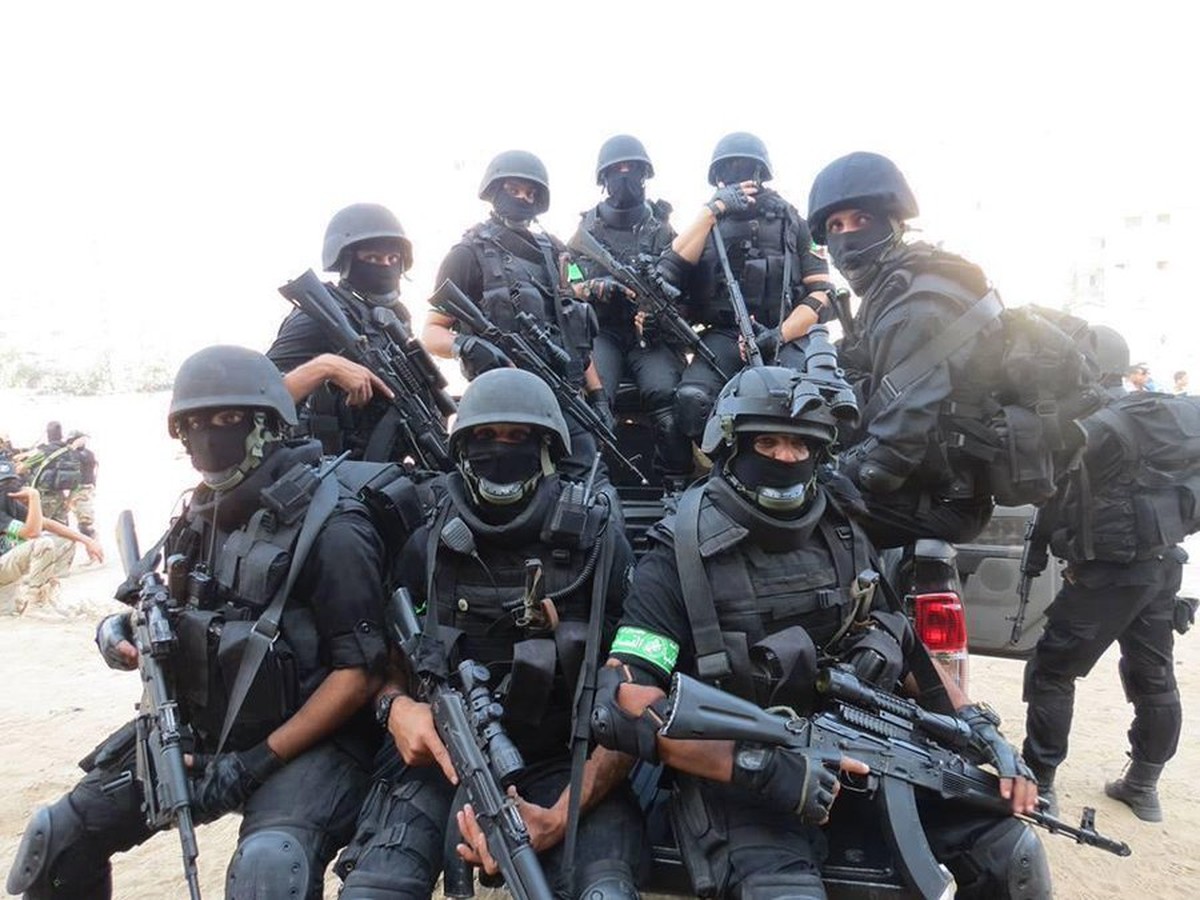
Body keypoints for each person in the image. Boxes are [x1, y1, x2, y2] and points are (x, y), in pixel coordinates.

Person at [590, 366, 1049, 899]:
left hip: (870, 749)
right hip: (742, 780)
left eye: (801, 444)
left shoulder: (843, 528)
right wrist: (766, 767)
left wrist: (977, 728)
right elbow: (626, 702)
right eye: (767, 442)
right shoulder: (680, 551)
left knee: (1012, 857)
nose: (786, 457)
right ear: (732, 445)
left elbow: (905, 645)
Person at [7, 345, 395, 899]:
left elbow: (359, 674)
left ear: (268, 424)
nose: (209, 436)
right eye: (193, 425)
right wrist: (118, 632)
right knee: (60, 840)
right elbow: (166, 603)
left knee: (268, 871)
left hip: (309, 738)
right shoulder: (200, 511)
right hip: (201, 726)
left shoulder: (331, 524)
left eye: (229, 419)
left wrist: (252, 765)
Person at [338, 368, 642, 900]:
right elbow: (386, 658)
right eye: (485, 436)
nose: (501, 449)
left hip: (566, 759)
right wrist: (396, 708)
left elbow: (636, 694)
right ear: (462, 449)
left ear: (547, 449)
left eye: (518, 437)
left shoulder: (596, 541)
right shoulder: (428, 536)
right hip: (443, 759)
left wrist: (561, 815)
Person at [1021, 326, 1183, 822]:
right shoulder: (1153, 415)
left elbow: (1051, 492)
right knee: (1154, 677)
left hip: (1108, 574)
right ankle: (1143, 786)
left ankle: (1039, 784)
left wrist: (1040, 549)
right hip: (1162, 566)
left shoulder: (1092, 423)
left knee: (1052, 670)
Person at [807, 151, 1009, 547]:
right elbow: (857, 368)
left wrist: (821, 476)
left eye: (861, 220)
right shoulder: (894, 290)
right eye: (835, 226)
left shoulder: (919, 306)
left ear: (894, 223)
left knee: (784, 516)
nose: (848, 236)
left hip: (939, 499)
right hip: (925, 483)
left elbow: (888, 457)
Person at [423, 150, 616, 489]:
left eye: (530, 193)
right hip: (500, 404)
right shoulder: (467, 253)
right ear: (494, 190)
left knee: (592, 489)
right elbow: (431, 333)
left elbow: (574, 334)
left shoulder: (556, 252)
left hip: (562, 396)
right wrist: (468, 346)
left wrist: (598, 395)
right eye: (514, 190)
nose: (523, 199)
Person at [658, 132, 834, 446]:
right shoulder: (706, 223)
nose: (737, 174)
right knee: (692, 401)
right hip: (723, 335)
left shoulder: (793, 222)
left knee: (804, 402)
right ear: (717, 177)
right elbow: (669, 270)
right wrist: (711, 212)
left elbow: (821, 294)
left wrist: (779, 335)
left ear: (760, 172)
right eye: (728, 168)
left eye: (745, 166)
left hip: (784, 333)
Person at [569, 135, 691, 488]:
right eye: (617, 171)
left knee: (667, 397)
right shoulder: (585, 231)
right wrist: (592, 288)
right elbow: (565, 286)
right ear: (603, 179)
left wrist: (658, 319)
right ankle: (591, 485)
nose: (625, 177)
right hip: (601, 331)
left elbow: (685, 289)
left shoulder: (663, 231)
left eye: (632, 170)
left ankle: (676, 485)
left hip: (649, 338)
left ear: (644, 175)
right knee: (594, 400)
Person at [268, 202, 429, 461]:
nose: (385, 265)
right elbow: (261, 396)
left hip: (386, 469)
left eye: (392, 258)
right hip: (330, 470)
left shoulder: (395, 318)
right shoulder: (320, 315)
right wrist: (325, 367)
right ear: (346, 260)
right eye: (372, 258)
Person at [0, 458, 103, 616]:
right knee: (42, 544)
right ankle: (35, 604)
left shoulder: (9, 503)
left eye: (11, 484)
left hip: (6, 571)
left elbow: (47, 524)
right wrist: (34, 497)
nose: (7, 489)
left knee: (65, 540)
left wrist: (87, 541)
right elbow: (32, 532)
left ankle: (43, 590)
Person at [20, 421, 81, 526]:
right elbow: (77, 479)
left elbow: (21, 469)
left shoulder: (44, 452)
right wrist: (69, 500)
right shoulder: (71, 453)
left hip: (43, 499)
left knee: (34, 527)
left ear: (48, 435)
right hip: (61, 499)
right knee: (60, 530)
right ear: (61, 435)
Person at [64, 431, 98, 539]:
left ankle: (91, 542)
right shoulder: (72, 453)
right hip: (73, 490)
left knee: (85, 522)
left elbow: (80, 460)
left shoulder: (86, 454)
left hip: (83, 489)